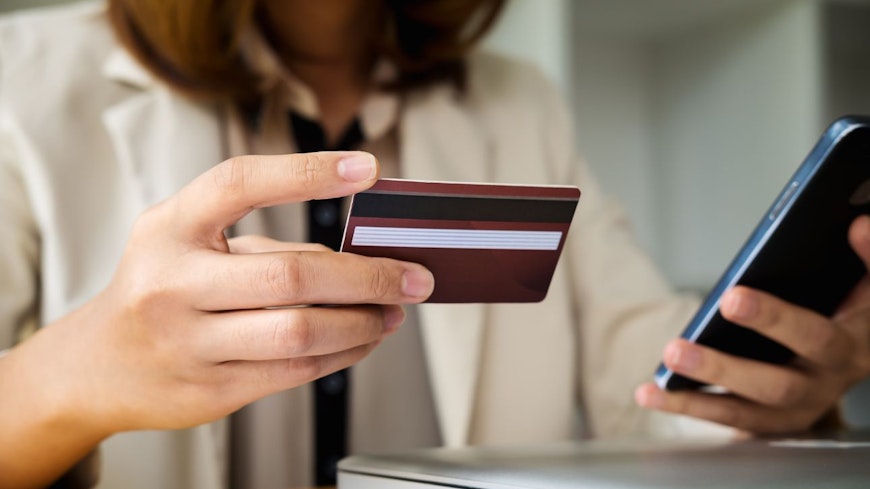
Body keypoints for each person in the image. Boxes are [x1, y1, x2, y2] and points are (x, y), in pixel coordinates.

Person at [1, 1, 869, 488]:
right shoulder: (23, 77)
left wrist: (770, 398)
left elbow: (649, 393)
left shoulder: (517, 101)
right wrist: (75, 374)